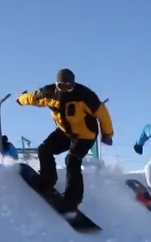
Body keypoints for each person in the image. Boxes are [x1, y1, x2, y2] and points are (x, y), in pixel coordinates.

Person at [16, 68, 114, 217]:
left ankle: (72, 199)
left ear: (74, 84)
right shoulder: (48, 93)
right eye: (62, 86)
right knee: (44, 149)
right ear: (57, 85)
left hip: (85, 134)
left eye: (70, 86)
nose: (66, 90)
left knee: (72, 160)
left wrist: (107, 134)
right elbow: (32, 98)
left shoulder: (85, 96)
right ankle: (47, 179)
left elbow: (103, 114)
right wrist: (20, 99)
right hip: (65, 132)